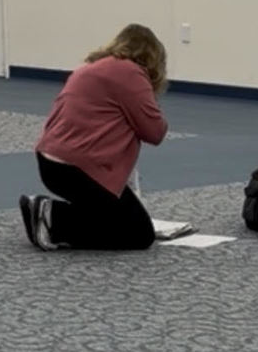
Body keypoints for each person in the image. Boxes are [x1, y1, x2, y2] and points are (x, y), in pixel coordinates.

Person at [19, 23, 169, 251]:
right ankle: (53, 219)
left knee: (114, 215)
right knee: (138, 233)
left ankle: (48, 214)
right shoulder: (131, 73)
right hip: (80, 168)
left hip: (52, 161)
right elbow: (155, 131)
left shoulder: (93, 67)